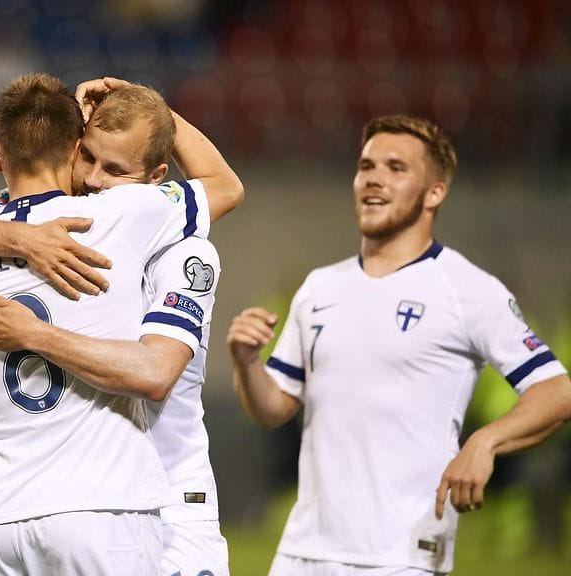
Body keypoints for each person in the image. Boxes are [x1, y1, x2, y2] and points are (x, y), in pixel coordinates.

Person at [0, 73, 242, 575]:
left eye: (114, 167)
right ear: (76, 146)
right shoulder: (126, 213)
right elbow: (225, 186)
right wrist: (152, 109)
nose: (98, 178)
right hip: (102, 508)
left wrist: (20, 237)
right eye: (90, 158)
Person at [227, 114, 571, 575]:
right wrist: (247, 362)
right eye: (366, 166)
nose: (374, 178)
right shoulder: (318, 289)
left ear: (434, 193)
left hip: (402, 556)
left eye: (396, 167)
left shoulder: (468, 289)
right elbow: (273, 409)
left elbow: (556, 391)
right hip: (302, 553)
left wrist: (486, 441)